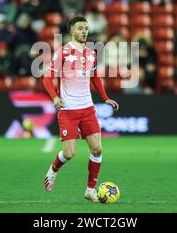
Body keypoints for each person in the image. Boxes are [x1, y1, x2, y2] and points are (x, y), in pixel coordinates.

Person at [42, 16, 119, 201]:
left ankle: (90, 190)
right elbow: (46, 78)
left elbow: (95, 78)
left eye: (86, 28)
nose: (84, 31)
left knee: (97, 150)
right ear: (72, 32)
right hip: (68, 109)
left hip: (87, 108)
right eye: (80, 28)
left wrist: (106, 98)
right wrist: (54, 97)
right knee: (69, 153)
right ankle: (53, 171)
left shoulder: (91, 53)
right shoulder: (62, 52)